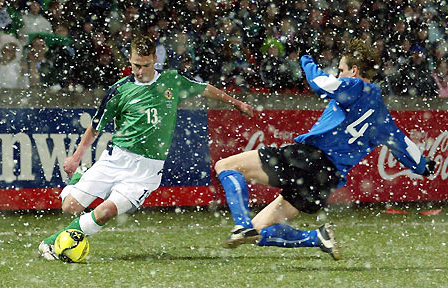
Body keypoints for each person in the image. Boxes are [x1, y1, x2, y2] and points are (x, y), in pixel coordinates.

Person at [214, 38, 435, 260]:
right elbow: (404, 146)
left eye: (341, 70)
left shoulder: (356, 86)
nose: (339, 75)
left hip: (309, 160)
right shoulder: (382, 117)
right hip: (325, 181)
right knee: (258, 231)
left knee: (225, 165)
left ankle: (241, 225)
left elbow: (320, 83)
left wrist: (305, 58)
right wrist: (424, 167)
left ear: (354, 70)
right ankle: (317, 237)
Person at [39, 35, 253, 260]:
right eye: (135, 65)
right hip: (115, 159)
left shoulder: (173, 80)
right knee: (69, 207)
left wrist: (236, 103)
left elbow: (205, 89)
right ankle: (78, 180)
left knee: (106, 211)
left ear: (155, 59)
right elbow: (95, 127)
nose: (140, 71)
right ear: (130, 60)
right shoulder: (119, 90)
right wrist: (76, 157)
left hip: (146, 171)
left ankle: (55, 243)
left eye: (145, 65)